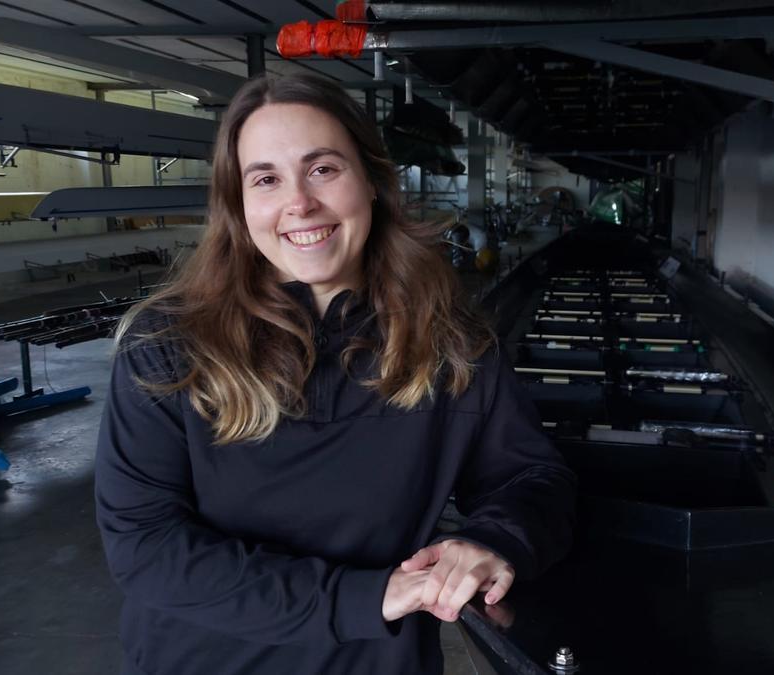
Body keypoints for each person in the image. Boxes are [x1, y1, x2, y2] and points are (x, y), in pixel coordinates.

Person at [94, 73, 576, 675]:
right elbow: (145, 546)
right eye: (266, 179)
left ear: (372, 182)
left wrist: (494, 543)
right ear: (240, 207)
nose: (299, 202)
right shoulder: (169, 345)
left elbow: (532, 477)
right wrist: (364, 597)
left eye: (323, 169)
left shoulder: (449, 343)